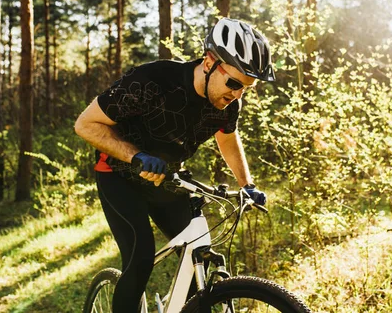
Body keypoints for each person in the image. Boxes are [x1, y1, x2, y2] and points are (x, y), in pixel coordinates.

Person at [74, 18, 275, 311]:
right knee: (140, 255)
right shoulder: (151, 81)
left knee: (200, 258)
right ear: (209, 62)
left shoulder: (227, 103)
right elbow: (86, 124)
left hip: (166, 180)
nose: (237, 94)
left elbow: (228, 139)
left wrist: (248, 185)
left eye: (247, 88)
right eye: (234, 83)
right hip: (118, 176)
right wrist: (136, 156)